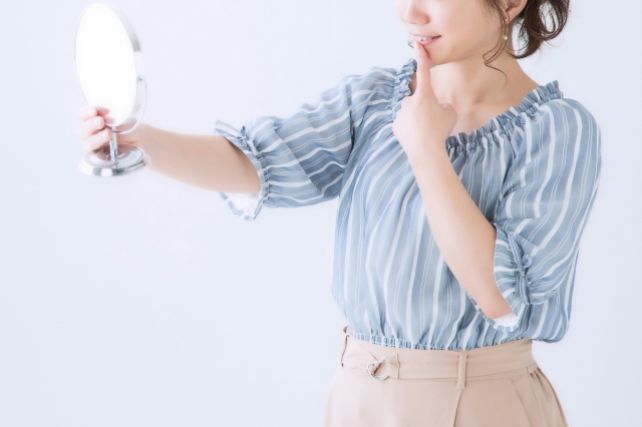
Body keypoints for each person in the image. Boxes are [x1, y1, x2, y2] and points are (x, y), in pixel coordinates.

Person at [77, 0, 601, 425]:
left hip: (483, 401)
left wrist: (425, 150)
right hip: (359, 397)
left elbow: (501, 297)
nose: (409, 13)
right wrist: (136, 139)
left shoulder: (554, 130)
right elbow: (260, 162)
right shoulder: (375, 100)